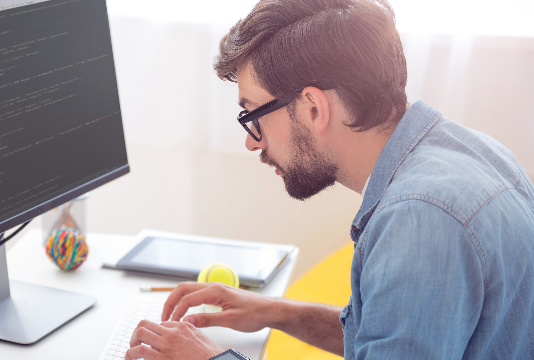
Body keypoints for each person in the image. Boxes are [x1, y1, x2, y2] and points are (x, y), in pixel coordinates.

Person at [123, 0, 534, 359]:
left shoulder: (419, 221)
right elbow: (390, 337)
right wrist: (274, 312)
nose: (253, 144)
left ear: (313, 108)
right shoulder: (473, 152)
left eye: (253, 117)